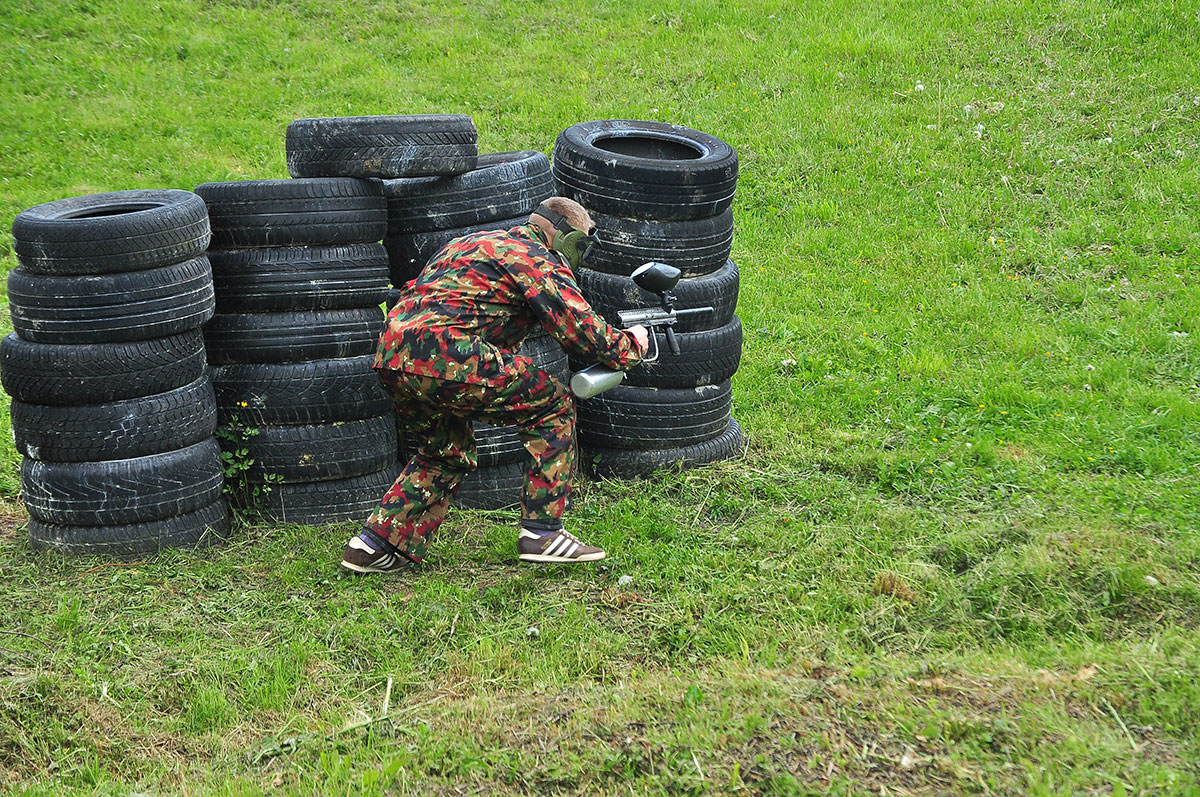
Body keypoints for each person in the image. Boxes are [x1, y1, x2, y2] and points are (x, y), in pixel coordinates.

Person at [340, 197, 650, 573]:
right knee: (553, 405)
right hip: (445, 354)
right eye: (581, 243)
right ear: (565, 236)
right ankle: (542, 533)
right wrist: (633, 343)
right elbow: (585, 336)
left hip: (392, 355)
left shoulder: (470, 243)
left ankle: (371, 546)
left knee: (445, 452)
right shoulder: (536, 257)